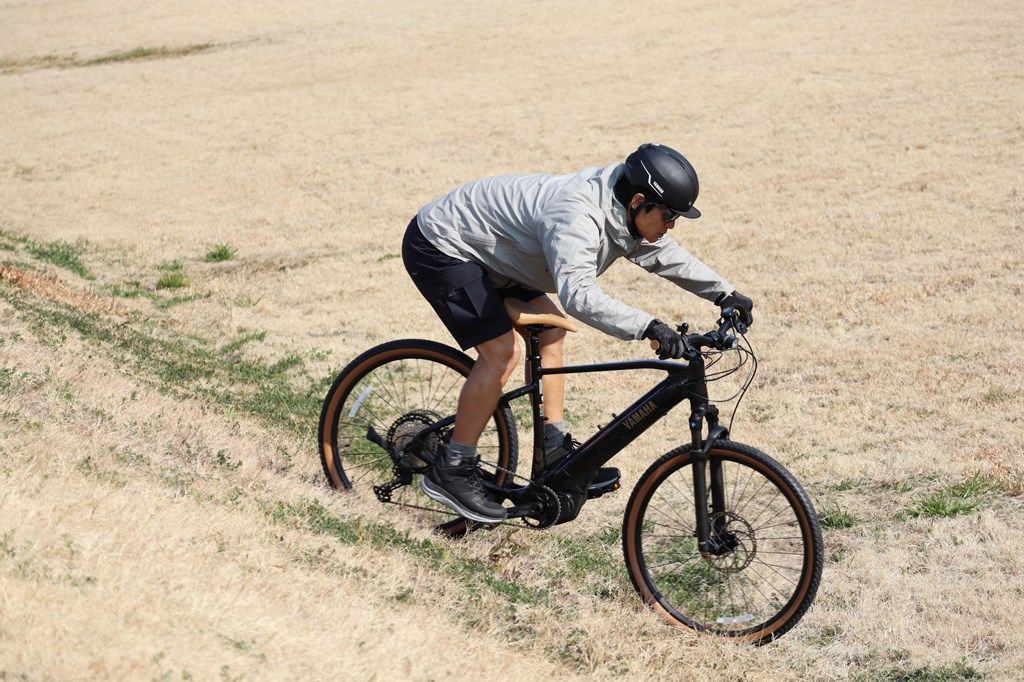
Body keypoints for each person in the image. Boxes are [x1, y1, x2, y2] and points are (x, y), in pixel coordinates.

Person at [402, 143, 753, 523]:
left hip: (502, 255)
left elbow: (663, 254)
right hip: (444, 243)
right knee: (501, 352)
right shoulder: (577, 215)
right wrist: (649, 327)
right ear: (638, 201)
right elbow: (579, 296)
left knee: (551, 334)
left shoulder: (625, 212)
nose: (671, 225)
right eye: (669, 216)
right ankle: (453, 468)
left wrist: (725, 293)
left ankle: (553, 449)